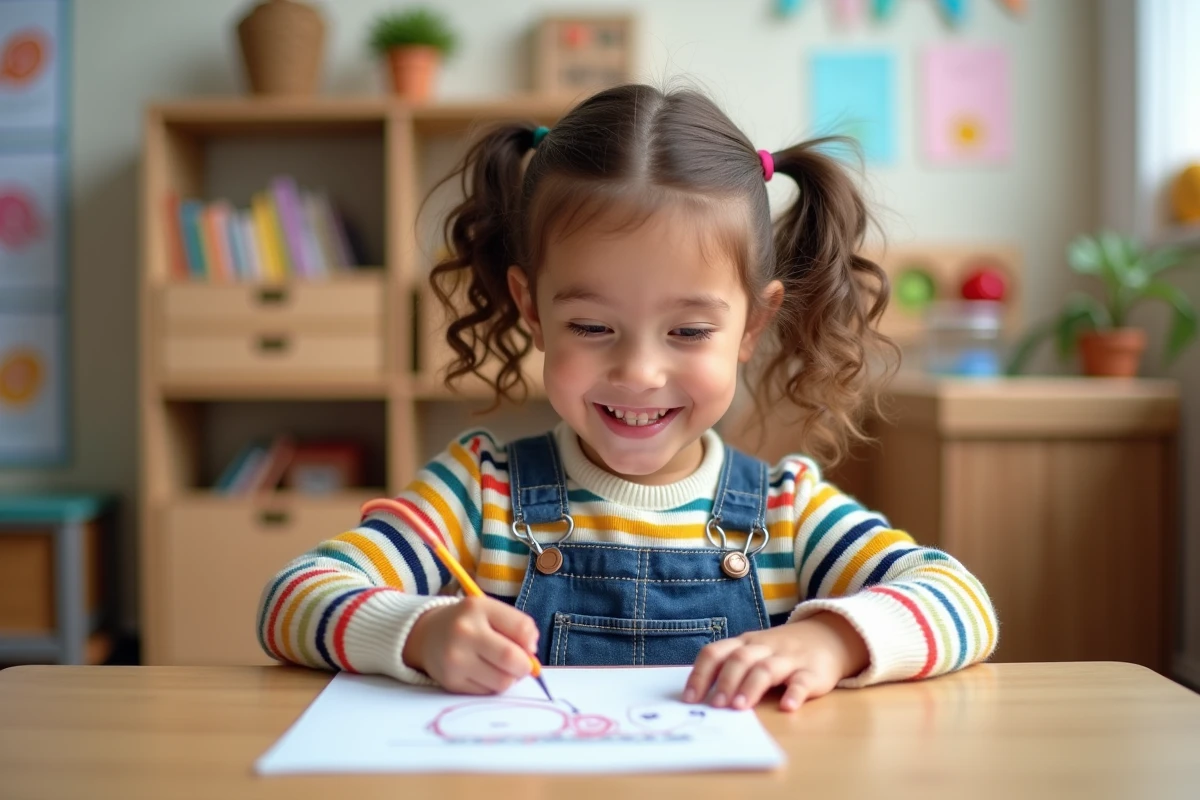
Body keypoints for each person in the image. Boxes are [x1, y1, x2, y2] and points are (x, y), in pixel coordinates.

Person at [257, 84, 997, 712]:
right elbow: (292, 599)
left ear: (753, 325)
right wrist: (419, 634)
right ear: (532, 309)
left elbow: (962, 602)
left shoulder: (786, 510)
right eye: (591, 326)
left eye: (687, 330)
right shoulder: (478, 491)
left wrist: (830, 640)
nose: (639, 371)